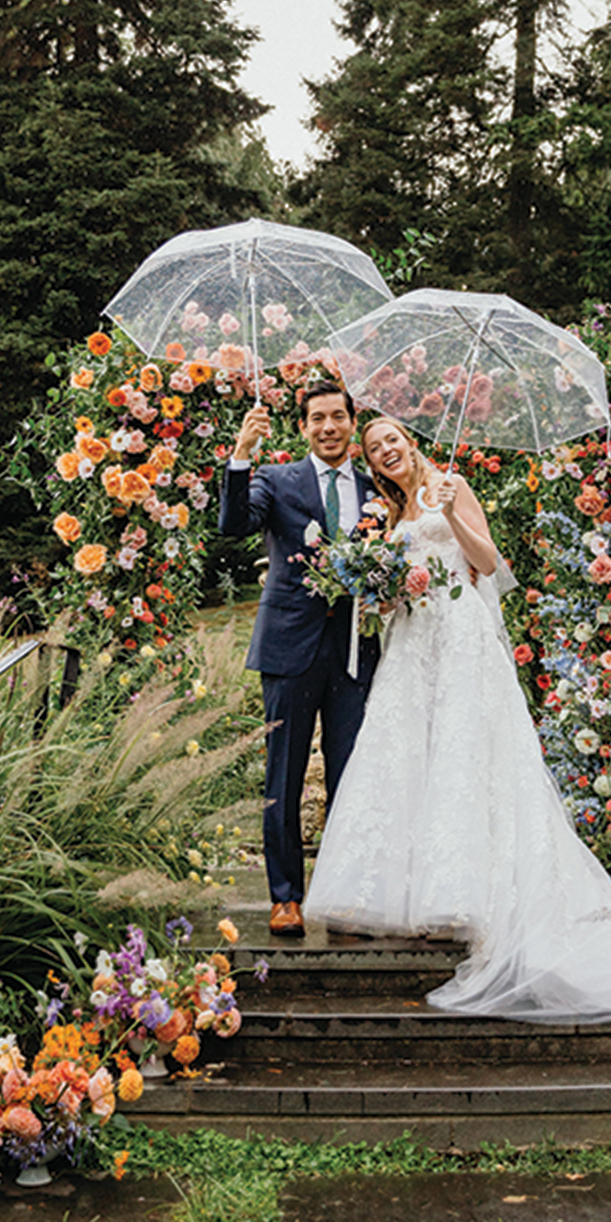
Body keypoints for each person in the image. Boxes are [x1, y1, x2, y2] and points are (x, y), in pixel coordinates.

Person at [304, 415, 611, 1023]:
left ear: (409, 443)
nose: (386, 452)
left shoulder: (452, 487)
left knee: (468, 757)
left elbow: (487, 563)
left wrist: (451, 511)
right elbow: (392, 590)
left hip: (462, 637)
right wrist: (385, 589)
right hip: (413, 642)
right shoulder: (390, 514)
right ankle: (421, 896)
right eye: (375, 448)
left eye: (392, 441)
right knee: (411, 757)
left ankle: (475, 896)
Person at [220, 372, 380, 939]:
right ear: (303, 426)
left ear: (352, 423)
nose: (329, 427)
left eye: (338, 417)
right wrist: (241, 455)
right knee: (282, 777)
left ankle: (341, 895)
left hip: (355, 652)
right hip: (289, 646)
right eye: (318, 418)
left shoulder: (372, 488)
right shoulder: (276, 480)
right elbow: (234, 525)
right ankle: (285, 897)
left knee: (351, 779)